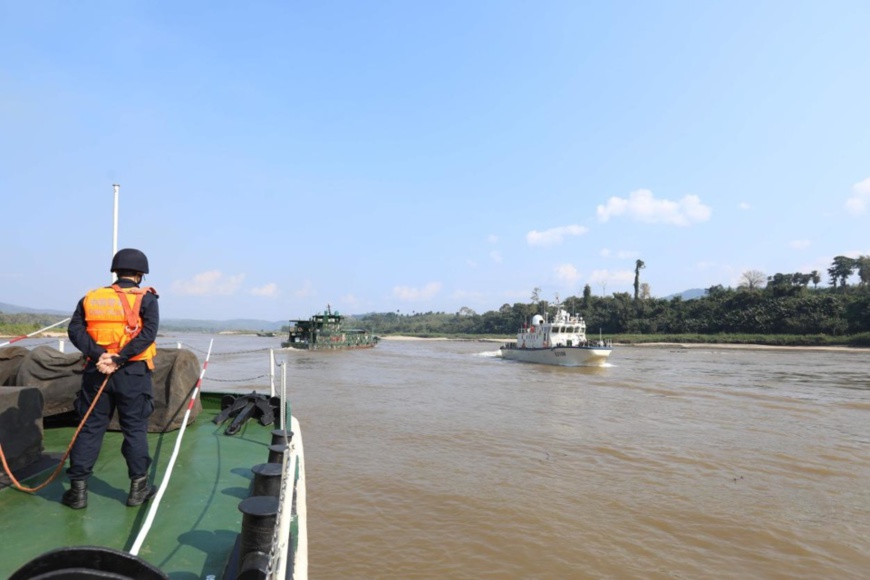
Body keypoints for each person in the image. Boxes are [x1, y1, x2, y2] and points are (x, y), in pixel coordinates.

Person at [62, 248, 160, 509]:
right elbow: (148, 334)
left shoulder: (91, 297)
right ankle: (138, 489)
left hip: (97, 371)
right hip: (133, 373)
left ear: (115, 271)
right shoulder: (146, 298)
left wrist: (100, 356)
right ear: (140, 274)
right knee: (135, 430)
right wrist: (119, 358)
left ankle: (77, 492)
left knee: (91, 428)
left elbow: (75, 330)